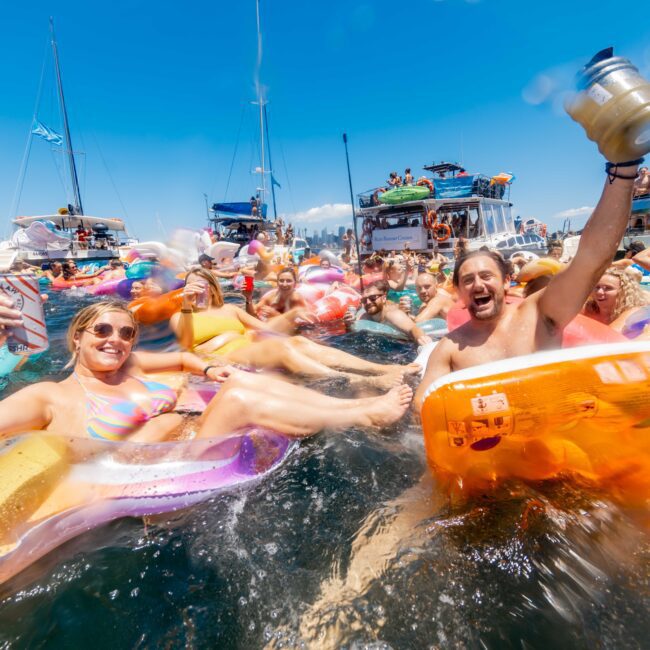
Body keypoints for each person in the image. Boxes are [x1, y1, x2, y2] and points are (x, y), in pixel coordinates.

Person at [0, 302, 413, 442]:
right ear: (77, 337)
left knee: (240, 380)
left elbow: (182, 360)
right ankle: (363, 415)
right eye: (102, 331)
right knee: (238, 396)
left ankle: (356, 403)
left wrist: (212, 367)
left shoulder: (133, 365)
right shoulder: (48, 397)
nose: (116, 340)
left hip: (194, 439)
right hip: (148, 483)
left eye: (126, 333)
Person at [414, 158, 641, 410]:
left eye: (487, 276)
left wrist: (623, 171)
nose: (478, 284)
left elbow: (592, 258)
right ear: (458, 291)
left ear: (506, 283)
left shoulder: (539, 313)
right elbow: (421, 410)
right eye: (468, 280)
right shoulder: (449, 349)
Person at [171, 269, 418, 387]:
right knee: (281, 350)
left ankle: (384, 368)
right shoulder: (181, 315)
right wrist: (186, 305)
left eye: (202, 284)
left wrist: (299, 329)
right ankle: (357, 380)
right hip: (222, 357)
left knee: (297, 343)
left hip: (249, 347)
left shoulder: (230, 310)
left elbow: (269, 330)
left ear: (213, 287)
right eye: (191, 286)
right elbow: (184, 343)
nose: (198, 289)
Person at [345, 280, 433, 346]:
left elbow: (413, 329)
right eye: (364, 300)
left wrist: (422, 341)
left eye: (373, 298)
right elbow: (353, 334)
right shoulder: (364, 316)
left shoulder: (392, 314)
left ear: (383, 298)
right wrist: (348, 325)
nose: (368, 302)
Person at [583, 266, 648, 330]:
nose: (599, 292)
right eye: (597, 287)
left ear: (623, 292)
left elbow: (608, 336)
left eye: (608, 288)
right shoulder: (587, 307)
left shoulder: (633, 311)